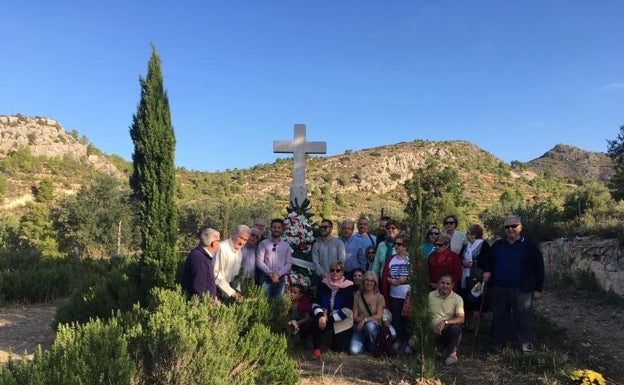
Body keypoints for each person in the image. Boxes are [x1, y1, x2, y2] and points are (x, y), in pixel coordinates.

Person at [483, 215, 544, 353]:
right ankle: (496, 345)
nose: (510, 229)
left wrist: (538, 289)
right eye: (507, 227)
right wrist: (487, 272)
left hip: (522, 289)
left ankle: (525, 348)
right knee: (499, 318)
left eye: (513, 226)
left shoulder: (530, 247)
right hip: (499, 288)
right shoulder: (497, 245)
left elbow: (539, 268)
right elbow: (489, 262)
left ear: (520, 227)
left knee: (523, 319)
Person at [310, 261, 355, 359]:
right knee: (315, 322)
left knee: (339, 349)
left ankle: (331, 340)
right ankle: (316, 348)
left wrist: (329, 319)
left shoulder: (349, 286)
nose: (335, 272)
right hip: (324, 316)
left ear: (342, 272)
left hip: (342, 320)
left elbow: (347, 310)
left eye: (338, 270)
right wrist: (321, 315)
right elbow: (315, 303)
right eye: (332, 270)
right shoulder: (323, 284)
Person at [380, 234, 412, 352]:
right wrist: (390, 280)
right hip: (394, 295)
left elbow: (417, 277)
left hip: (408, 295)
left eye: (399, 244)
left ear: (405, 247)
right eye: (396, 244)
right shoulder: (391, 259)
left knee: (408, 320)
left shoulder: (411, 259)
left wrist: (406, 279)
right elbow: (385, 276)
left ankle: (409, 342)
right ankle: (398, 340)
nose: (396, 246)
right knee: (396, 318)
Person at [459, 224, 491, 328]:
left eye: (468, 233)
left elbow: (487, 261)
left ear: (474, 234)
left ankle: (475, 323)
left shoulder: (484, 245)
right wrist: (463, 261)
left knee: (476, 295)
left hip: (478, 275)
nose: (466, 235)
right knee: (466, 296)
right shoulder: (466, 246)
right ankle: (466, 322)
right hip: (466, 274)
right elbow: (460, 257)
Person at [429, 273, 465, 365]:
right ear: (438, 283)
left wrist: (445, 322)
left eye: (448, 284)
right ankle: (434, 349)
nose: (445, 286)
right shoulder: (430, 296)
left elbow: (461, 318)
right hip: (431, 330)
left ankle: (452, 355)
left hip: (447, 330)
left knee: (455, 328)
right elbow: (423, 314)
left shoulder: (458, 299)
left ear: (452, 285)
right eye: (442, 283)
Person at [256, 218, 293, 299]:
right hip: (265, 278)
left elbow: (288, 263)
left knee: (277, 304)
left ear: (282, 229)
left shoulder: (286, 246)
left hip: (280, 279)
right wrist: (270, 273)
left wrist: (278, 274)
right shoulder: (263, 243)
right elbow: (259, 262)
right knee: (263, 304)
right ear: (271, 228)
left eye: (279, 227)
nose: (276, 229)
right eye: (274, 227)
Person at [350, 271, 385, 355]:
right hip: (359, 328)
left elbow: (379, 316)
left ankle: (372, 346)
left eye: (372, 281)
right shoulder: (357, 296)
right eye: (367, 280)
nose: (369, 283)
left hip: (374, 326)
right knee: (354, 351)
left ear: (375, 283)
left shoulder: (379, 297)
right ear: (363, 281)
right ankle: (364, 343)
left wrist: (365, 320)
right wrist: (363, 321)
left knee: (369, 326)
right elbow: (355, 317)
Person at [181, 227, 221, 299]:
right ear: (213, 243)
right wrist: (209, 302)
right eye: (218, 241)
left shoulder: (201, 256)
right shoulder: (199, 258)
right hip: (202, 304)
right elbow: (199, 287)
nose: (219, 244)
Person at [214, 224, 250, 301]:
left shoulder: (239, 251)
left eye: (245, 240)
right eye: (240, 237)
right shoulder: (222, 248)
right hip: (215, 291)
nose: (242, 242)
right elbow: (216, 274)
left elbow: (236, 275)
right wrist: (232, 293)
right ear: (233, 234)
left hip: (228, 291)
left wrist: (237, 291)